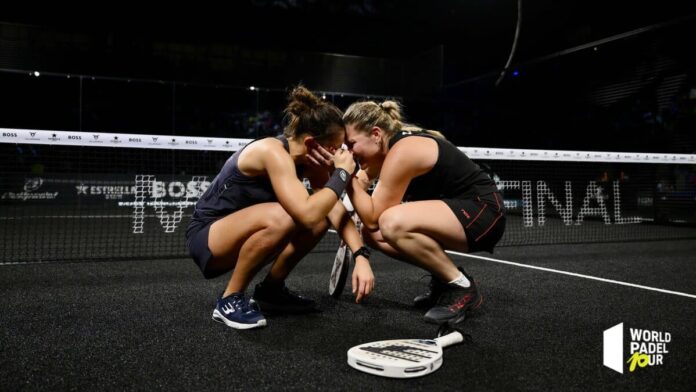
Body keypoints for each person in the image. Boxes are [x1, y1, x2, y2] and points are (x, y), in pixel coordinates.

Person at [186, 86, 374, 330]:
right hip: (207, 237)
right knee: (287, 216)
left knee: (320, 217)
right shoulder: (271, 152)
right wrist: (340, 173)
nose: (338, 154)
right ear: (310, 142)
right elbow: (305, 214)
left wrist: (360, 255)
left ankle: (271, 292)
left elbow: (331, 209)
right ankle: (229, 299)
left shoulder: (310, 160)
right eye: (335, 147)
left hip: (243, 231)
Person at [338, 100, 505, 325]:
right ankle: (444, 278)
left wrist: (345, 176)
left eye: (351, 143)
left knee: (390, 223)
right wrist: (356, 182)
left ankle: (462, 287)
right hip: (462, 212)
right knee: (373, 236)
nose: (349, 151)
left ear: (376, 134)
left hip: (483, 213)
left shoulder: (403, 150)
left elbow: (372, 216)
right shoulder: (388, 152)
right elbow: (368, 213)